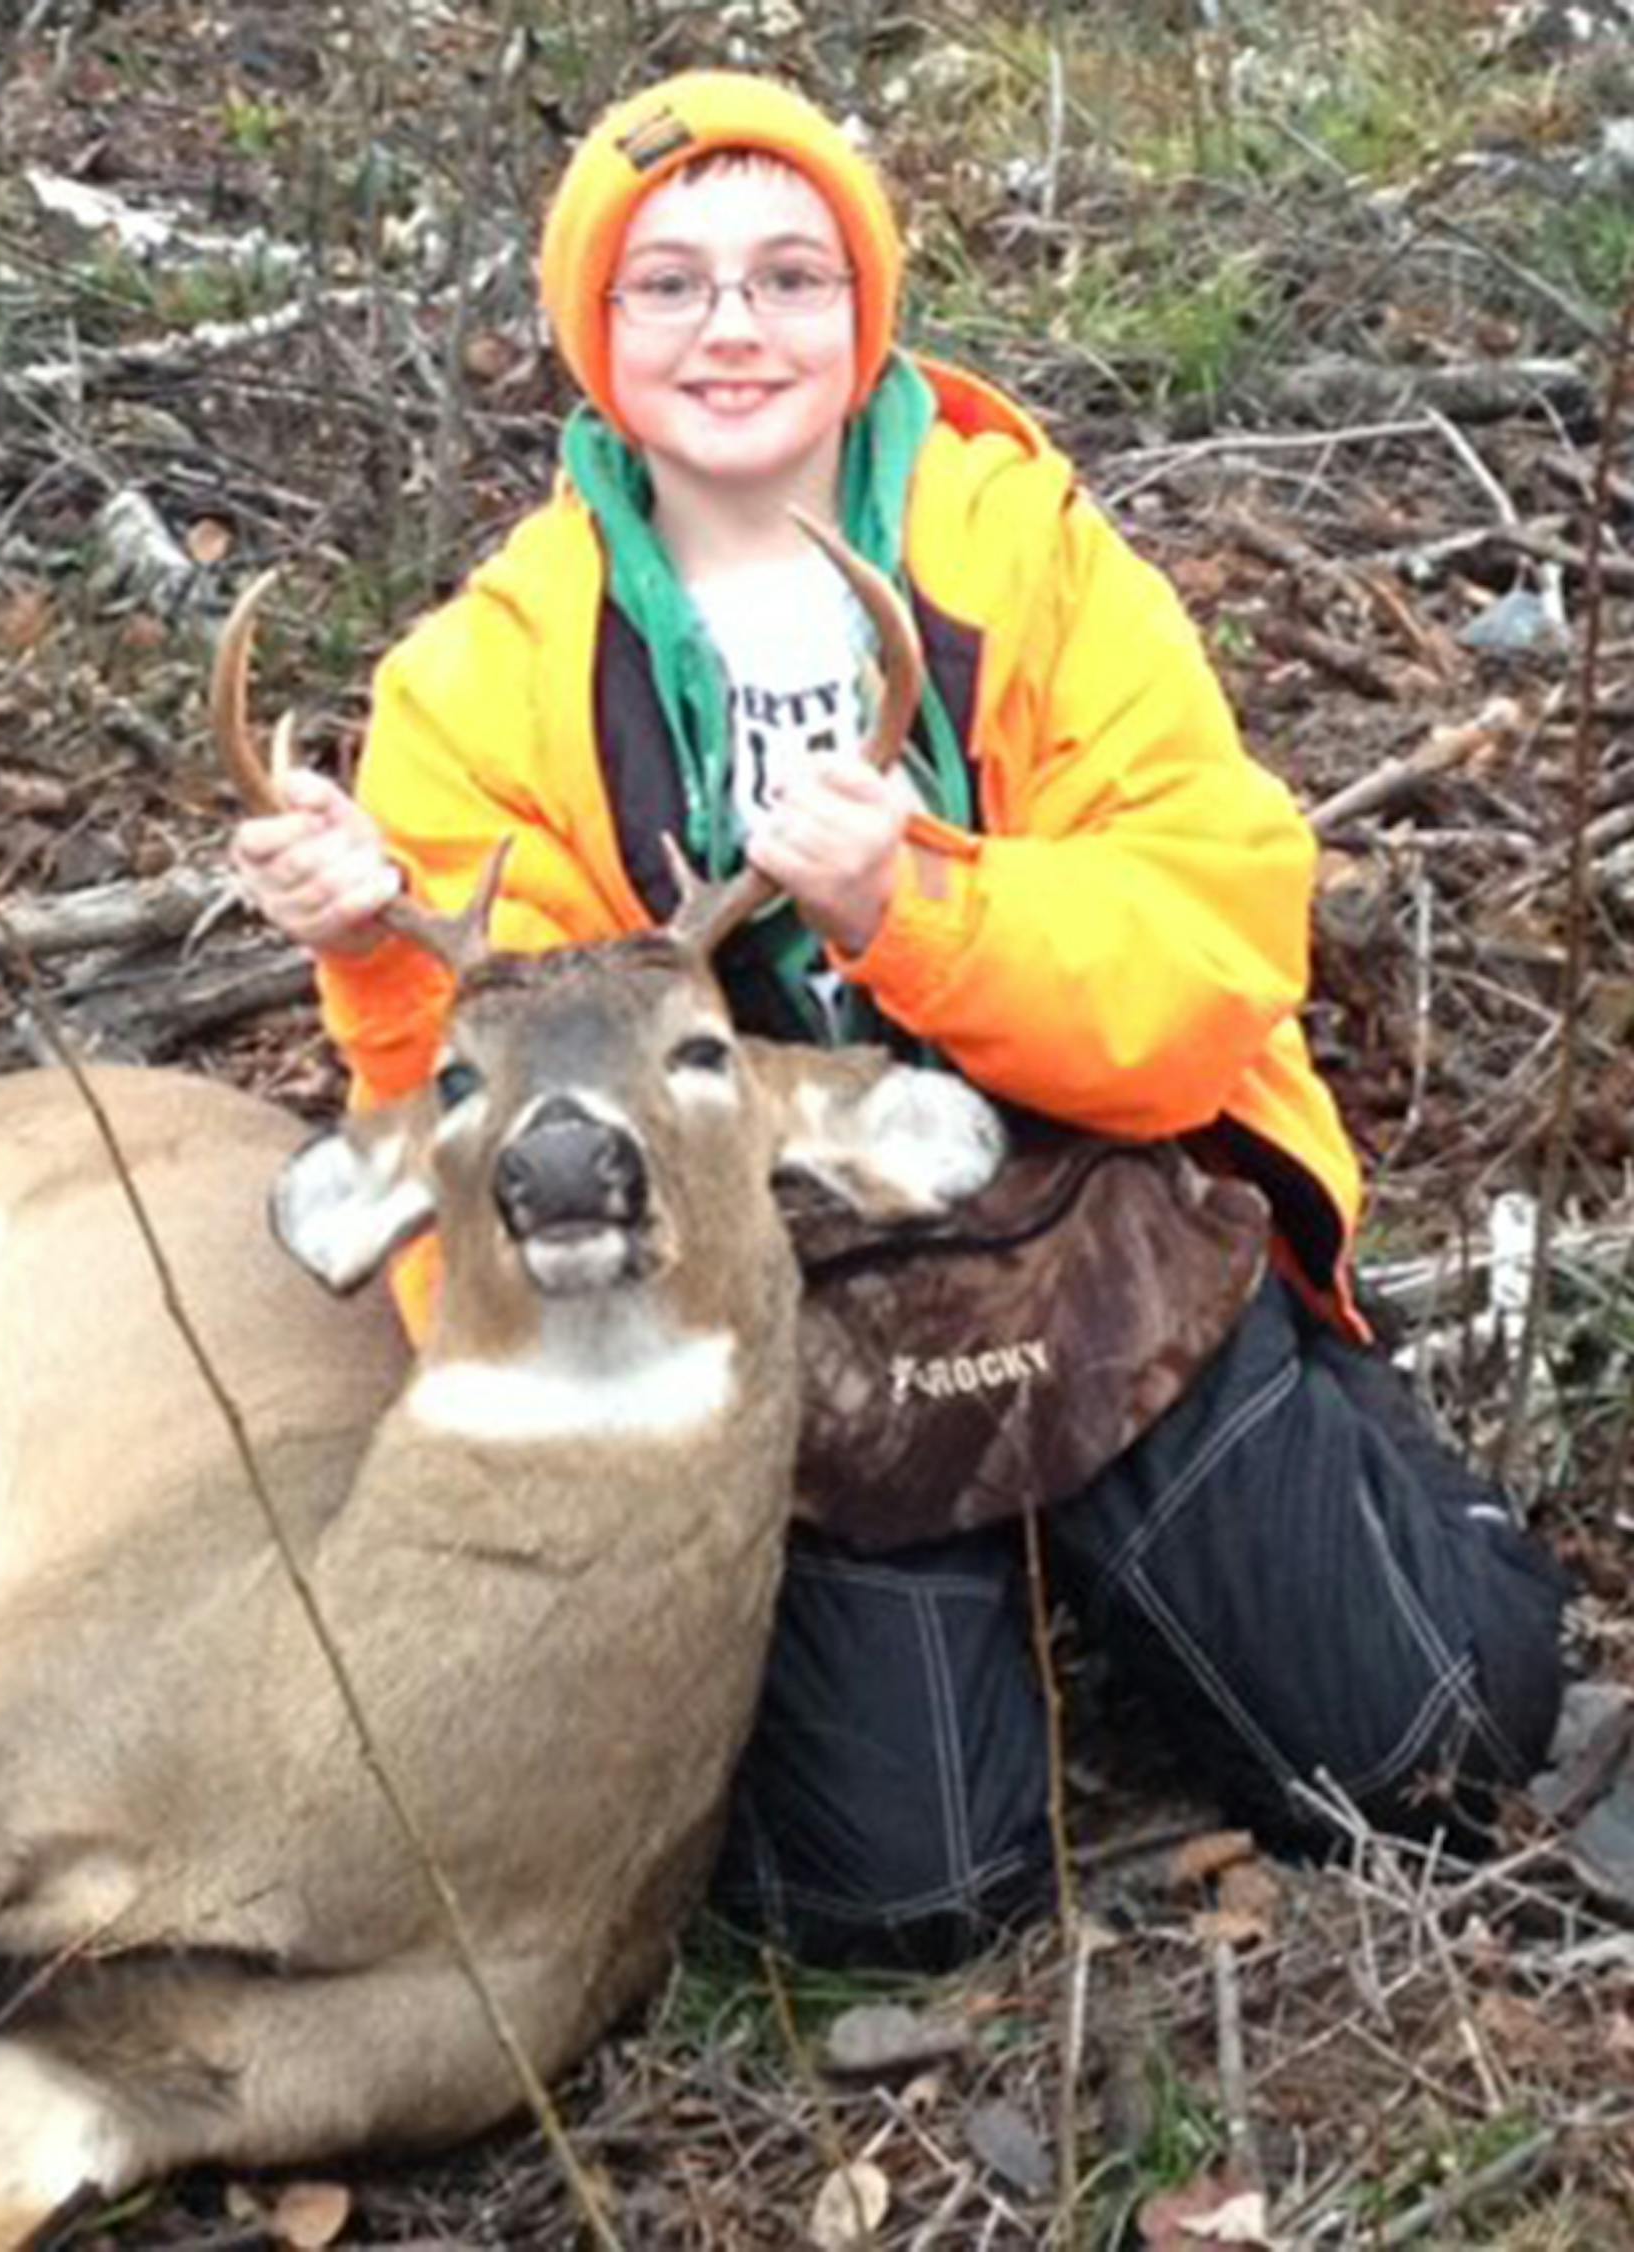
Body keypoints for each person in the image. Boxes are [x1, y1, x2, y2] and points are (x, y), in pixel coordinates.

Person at [230, 71, 1566, 1967]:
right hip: (797, 1278)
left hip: (1099, 1206)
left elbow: (1209, 952)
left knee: (1433, 1742)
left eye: (790, 273)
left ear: (866, 309)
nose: (734, 327)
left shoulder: (1029, 560)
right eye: (668, 284)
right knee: (905, 1898)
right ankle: (971, 1589)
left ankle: (1323, 1475)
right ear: (591, 330)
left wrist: (911, 904)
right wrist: (377, 946)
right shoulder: (483, 673)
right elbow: (515, 1091)